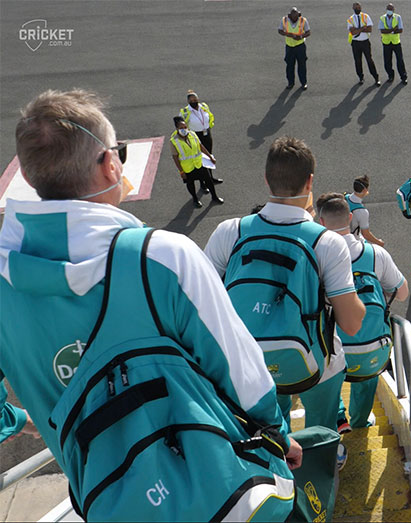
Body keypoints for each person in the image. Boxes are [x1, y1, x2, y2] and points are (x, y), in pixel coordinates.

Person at [0, 89, 299, 521]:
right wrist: (277, 432)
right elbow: (240, 370)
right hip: (212, 485)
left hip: (110, 501)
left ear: (31, 175)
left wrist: (29, 420)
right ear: (110, 164)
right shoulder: (159, 257)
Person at [204, 136, 365, 432]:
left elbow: (202, 308)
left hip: (249, 364)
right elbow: (352, 324)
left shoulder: (229, 231)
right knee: (321, 432)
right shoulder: (327, 242)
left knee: (270, 432)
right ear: (310, 182)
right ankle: (318, 468)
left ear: (267, 180)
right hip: (318, 364)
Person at [314, 194, 408, 431]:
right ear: (350, 217)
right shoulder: (375, 254)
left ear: (321, 222)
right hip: (369, 343)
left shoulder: (315, 254)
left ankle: (337, 418)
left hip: (330, 345)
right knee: (366, 381)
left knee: (327, 378)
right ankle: (359, 421)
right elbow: (402, 291)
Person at [170, 116, 224, 207]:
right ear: (177, 129)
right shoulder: (174, 141)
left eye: (185, 127)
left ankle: (214, 197)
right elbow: (175, 157)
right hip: (187, 167)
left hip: (199, 164)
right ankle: (195, 199)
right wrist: (181, 171)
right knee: (190, 184)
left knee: (208, 180)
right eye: (181, 128)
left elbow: (200, 146)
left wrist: (210, 157)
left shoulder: (192, 134)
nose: (184, 129)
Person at [179, 90, 223, 188]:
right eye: (191, 100)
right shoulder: (185, 112)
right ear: (188, 102)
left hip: (206, 134)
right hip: (195, 136)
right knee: (199, 159)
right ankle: (203, 183)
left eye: (195, 99)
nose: (194, 101)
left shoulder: (203, 107)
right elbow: (180, 125)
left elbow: (209, 117)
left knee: (209, 156)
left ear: (198, 99)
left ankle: (210, 178)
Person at [346, 175, 385, 246]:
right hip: (353, 242)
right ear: (365, 190)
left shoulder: (344, 198)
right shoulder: (362, 212)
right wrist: (379, 242)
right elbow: (366, 234)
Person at [348, 2, 380, 86]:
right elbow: (353, 32)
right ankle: (361, 77)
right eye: (356, 8)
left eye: (359, 8)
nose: (358, 9)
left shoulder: (366, 16)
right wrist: (363, 28)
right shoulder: (350, 19)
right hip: (355, 43)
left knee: (369, 60)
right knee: (357, 61)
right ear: (353, 8)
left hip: (365, 42)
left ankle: (376, 77)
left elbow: (369, 29)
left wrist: (357, 29)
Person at [278, 7, 311, 90]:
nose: (295, 18)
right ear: (290, 15)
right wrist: (289, 35)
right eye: (293, 16)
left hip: (300, 46)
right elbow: (280, 30)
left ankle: (304, 83)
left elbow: (308, 32)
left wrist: (301, 36)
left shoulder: (303, 20)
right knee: (289, 65)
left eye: (296, 16)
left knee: (302, 65)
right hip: (289, 47)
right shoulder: (284, 20)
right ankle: (290, 83)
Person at [378, 3, 407, 84]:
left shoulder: (398, 17)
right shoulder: (382, 18)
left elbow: (400, 30)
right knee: (387, 61)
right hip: (386, 42)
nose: (389, 11)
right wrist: (393, 30)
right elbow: (382, 30)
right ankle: (390, 76)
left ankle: (403, 77)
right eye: (388, 9)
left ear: (393, 10)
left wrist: (389, 31)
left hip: (396, 42)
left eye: (391, 9)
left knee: (400, 60)